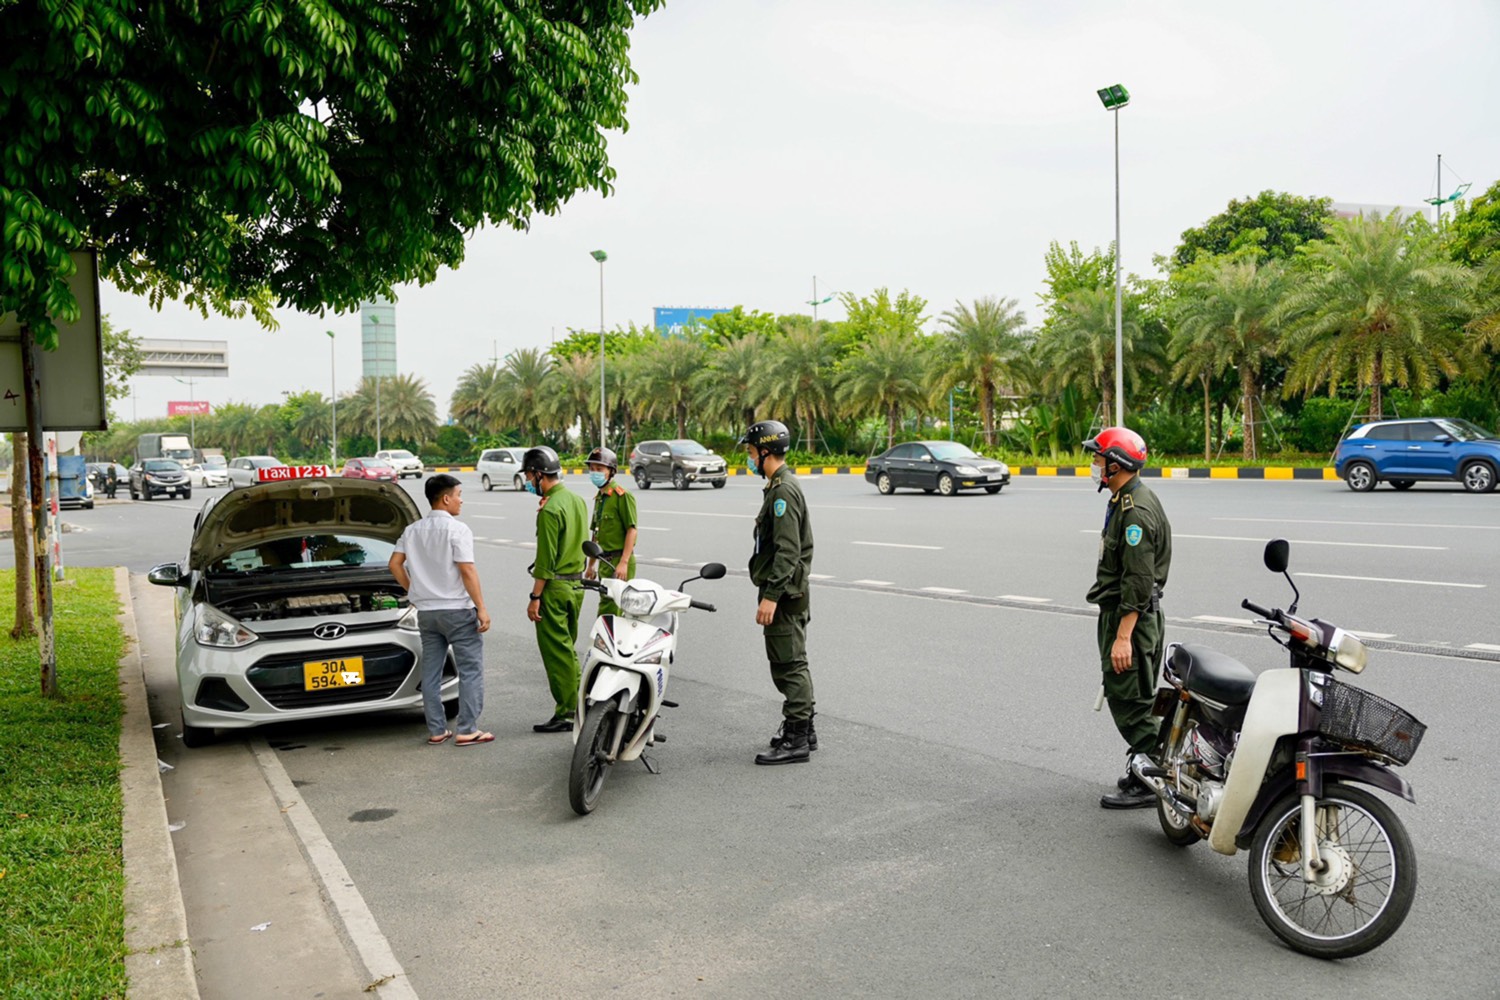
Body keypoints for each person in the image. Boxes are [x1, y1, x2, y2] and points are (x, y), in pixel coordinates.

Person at [1083, 427, 1172, 809]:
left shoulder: (1135, 512)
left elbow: (1138, 579)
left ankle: (1156, 777)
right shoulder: (1127, 498)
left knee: (1130, 701)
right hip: (1131, 617)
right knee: (1136, 697)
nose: (1093, 465)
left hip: (1131, 621)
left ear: (1116, 465)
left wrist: (1122, 637)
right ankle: (1146, 765)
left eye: (1098, 459)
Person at [388, 474, 493, 746]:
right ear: (446, 499)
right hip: (458, 611)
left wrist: (414, 591)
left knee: (431, 672)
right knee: (470, 670)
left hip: (427, 614)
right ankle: (467, 728)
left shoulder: (412, 531)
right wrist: (481, 607)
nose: (461, 500)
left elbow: (395, 565)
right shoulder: (458, 530)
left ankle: (437, 730)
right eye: (459, 495)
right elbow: (467, 569)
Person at [741, 420, 817, 766]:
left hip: (784, 594)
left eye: (752, 452)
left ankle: (797, 740)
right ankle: (804, 729)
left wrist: (771, 596)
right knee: (792, 661)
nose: (750, 457)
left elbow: (788, 550)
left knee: (788, 665)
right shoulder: (779, 486)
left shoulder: (783, 491)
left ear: (765, 453)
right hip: (788, 590)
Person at [522, 446, 588, 733]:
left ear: (538, 474)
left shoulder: (550, 509)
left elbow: (546, 561)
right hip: (576, 585)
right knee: (568, 649)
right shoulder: (576, 500)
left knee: (556, 653)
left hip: (556, 588)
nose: (526, 481)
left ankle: (567, 714)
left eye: (527, 475)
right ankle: (578, 706)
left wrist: (535, 597)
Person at [584, 447, 638, 617]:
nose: (595, 473)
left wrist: (623, 562)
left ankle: (611, 641)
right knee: (609, 605)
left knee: (612, 608)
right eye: (592, 469)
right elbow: (596, 535)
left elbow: (632, 530)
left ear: (611, 471)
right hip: (604, 562)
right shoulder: (600, 498)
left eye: (599, 469)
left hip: (618, 561)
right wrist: (591, 565)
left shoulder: (622, 496)